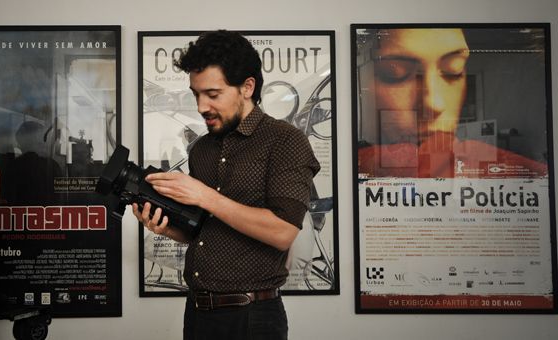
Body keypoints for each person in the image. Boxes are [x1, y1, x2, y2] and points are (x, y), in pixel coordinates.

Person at [131, 30, 320, 340]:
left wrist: (206, 197)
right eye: (196, 94)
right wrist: (166, 228)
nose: (201, 106)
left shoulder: (286, 141)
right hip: (198, 313)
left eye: (213, 94)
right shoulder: (203, 150)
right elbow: (203, 230)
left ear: (247, 87)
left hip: (252, 318)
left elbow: (283, 232)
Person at [356, 28, 547, 178]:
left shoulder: (518, 172)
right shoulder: (354, 167)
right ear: (361, 84)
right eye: (394, 72)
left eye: (453, 70)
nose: (434, 103)